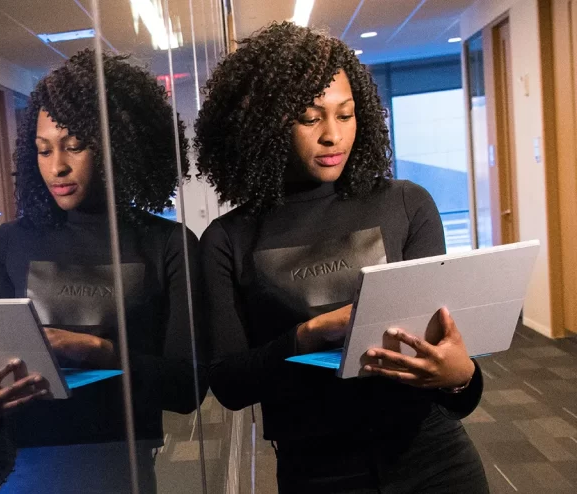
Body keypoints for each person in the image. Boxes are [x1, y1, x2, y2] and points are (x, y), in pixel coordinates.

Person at [195, 22, 488, 493]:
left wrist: (461, 378)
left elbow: (446, 356)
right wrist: (307, 335)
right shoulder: (227, 239)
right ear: (265, 126)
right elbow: (229, 384)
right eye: (311, 118)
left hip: (435, 459)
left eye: (346, 114)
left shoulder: (408, 204)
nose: (333, 135)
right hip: (318, 471)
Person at [0, 50, 206, 494]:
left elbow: (187, 390)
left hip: (120, 468)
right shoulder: (7, 245)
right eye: (43, 149)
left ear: (116, 146)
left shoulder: (166, 243)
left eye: (74, 145)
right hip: (19, 473)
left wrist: (97, 350)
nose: (57, 167)